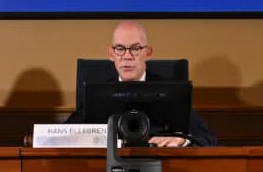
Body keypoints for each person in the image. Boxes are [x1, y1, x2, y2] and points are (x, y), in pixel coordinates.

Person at [66, 20, 218, 147]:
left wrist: (183, 140)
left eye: (135, 48)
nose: (127, 56)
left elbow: (207, 138)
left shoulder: (171, 91)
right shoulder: (96, 93)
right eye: (120, 48)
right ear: (111, 54)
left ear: (148, 53)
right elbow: (65, 135)